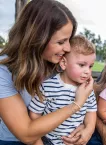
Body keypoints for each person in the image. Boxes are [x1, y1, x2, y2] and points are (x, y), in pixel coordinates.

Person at [0, 0, 94, 145]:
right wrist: (77, 105)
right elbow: (26, 134)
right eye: (61, 42)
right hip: (13, 140)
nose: (68, 48)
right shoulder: (3, 71)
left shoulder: (57, 62)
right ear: (37, 39)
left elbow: (91, 91)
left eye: (69, 40)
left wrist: (87, 129)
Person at [28, 35, 97, 145]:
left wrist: (88, 130)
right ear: (64, 63)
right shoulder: (47, 86)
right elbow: (34, 115)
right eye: (82, 65)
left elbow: (91, 112)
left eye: (90, 66)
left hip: (76, 141)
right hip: (49, 141)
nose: (88, 71)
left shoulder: (87, 88)